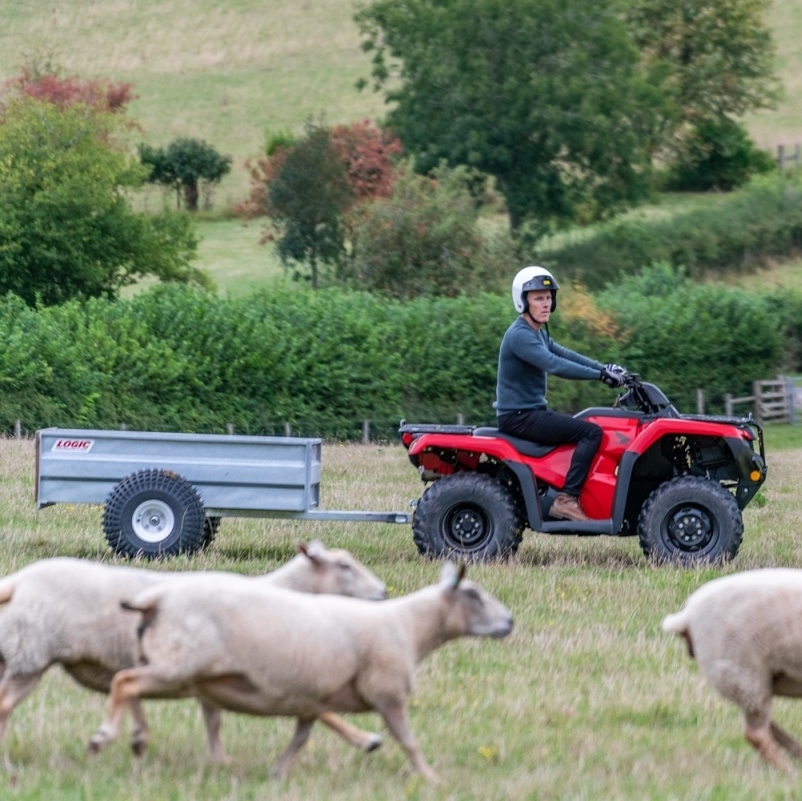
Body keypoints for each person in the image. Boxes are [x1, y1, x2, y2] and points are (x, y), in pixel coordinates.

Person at [495, 266, 628, 523]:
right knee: (591, 432)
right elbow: (554, 364)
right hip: (519, 417)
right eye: (538, 298)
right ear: (522, 301)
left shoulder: (538, 332)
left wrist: (604, 368)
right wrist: (600, 377)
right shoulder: (520, 335)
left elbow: (564, 353)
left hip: (530, 413)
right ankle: (566, 498)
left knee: (590, 425)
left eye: (548, 298)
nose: (546, 304)